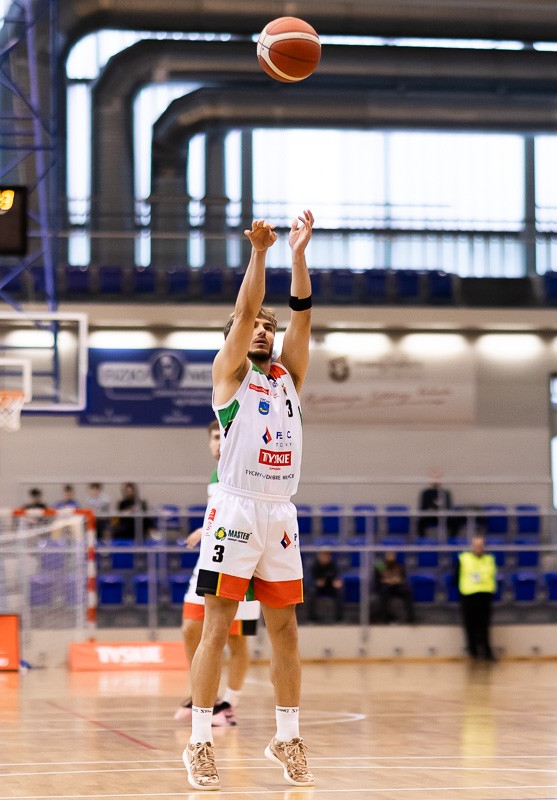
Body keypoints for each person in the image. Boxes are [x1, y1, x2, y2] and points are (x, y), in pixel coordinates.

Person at [183, 211, 315, 791]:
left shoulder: (289, 377)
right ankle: (199, 741)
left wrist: (298, 256)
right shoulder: (229, 375)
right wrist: (260, 254)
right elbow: (243, 312)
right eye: (255, 325)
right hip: (235, 509)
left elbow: (303, 316)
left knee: (285, 629)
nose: (262, 329)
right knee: (217, 626)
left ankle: (287, 736)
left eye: (268, 325)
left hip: (280, 511)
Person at [176, 421, 260, 726]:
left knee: (236, 639)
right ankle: (203, 694)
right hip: (211, 557)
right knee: (190, 627)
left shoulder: (248, 469)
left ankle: (228, 704)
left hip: (242, 560)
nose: (219, 442)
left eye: (223, 436)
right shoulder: (216, 474)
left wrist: (206, 530)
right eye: (214, 437)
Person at [455, 533, 497, 661]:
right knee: (470, 624)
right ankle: (473, 652)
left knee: (484, 625)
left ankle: (487, 652)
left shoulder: (489, 559)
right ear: (472, 546)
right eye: (476, 545)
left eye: (480, 545)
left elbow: (492, 576)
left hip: (484, 595)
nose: (478, 547)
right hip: (468, 595)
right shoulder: (463, 558)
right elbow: (456, 577)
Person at [372, 551, 416, 624]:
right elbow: (378, 580)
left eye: (392, 555)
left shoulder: (399, 566)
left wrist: (397, 580)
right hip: (385, 587)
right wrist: (388, 580)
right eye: (389, 555)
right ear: (385, 556)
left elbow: (402, 578)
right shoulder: (380, 565)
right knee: (384, 592)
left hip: (397, 587)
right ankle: (384, 619)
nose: (390, 557)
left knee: (407, 592)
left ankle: (411, 619)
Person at [308, 550, 344, 623]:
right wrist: (316, 582)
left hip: (331, 587)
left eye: (327, 555)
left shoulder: (334, 565)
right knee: (312, 592)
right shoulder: (314, 565)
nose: (325, 557)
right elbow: (310, 579)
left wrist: (337, 582)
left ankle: (339, 618)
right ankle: (312, 618)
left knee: (340, 592)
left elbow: (338, 577)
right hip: (318, 588)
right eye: (323, 555)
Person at [417, 468, 454, 537]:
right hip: (430, 516)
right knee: (420, 521)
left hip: (443, 516)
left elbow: (449, 507)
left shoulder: (445, 492)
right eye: (433, 478)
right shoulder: (426, 493)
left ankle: (451, 540)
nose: (435, 480)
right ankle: (422, 540)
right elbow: (422, 507)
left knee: (454, 520)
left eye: (437, 478)